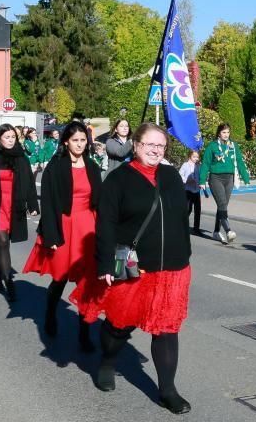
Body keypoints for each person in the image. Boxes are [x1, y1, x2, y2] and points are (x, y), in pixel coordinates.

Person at [70, 123, 192, 414]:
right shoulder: (118, 179)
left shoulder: (172, 175)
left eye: (160, 146)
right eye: (149, 144)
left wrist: (185, 253)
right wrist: (105, 264)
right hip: (136, 269)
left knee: (166, 328)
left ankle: (167, 390)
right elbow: (106, 225)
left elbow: (179, 218)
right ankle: (108, 362)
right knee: (119, 324)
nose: (155, 150)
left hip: (173, 269)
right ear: (135, 145)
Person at [22, 121, 102, 352]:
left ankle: (84, 333)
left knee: (87, 282)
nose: (79, 144)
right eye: (75, 140)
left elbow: (100, 199)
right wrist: (52, 235)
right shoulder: (56, 166)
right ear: (66, 141)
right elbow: (48, 203)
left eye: (83, 140)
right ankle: (50, 314)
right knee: (60, 278)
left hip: (88, 227)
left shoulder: (92, 166)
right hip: (64, 225)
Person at [0, 124, 39, 301]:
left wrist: (33, 205)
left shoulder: (21, 158)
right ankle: (9, 282)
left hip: (14, 205)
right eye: (7, 137)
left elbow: (29, 184)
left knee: (5, 244)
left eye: (13, 137)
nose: (10, 140)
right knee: (2, 241)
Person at [199, 123, 250, 243]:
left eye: (228, 132)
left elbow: (240, 162)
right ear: (219, 133)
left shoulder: (233, 145)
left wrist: (246, 178)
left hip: (229, 179)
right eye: (224, 132)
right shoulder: (212, 146)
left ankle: (216, 232)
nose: (226, 135)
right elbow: (205, 163)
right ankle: (228, 231)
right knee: (222, 203)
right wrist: (202, 180)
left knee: (223, 206)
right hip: (216, 178)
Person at [179, 150, 202, 235]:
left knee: (198, 210)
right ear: (190, 157)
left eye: (197, 157)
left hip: (196, 191)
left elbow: (200, 176)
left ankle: (196, 228)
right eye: (194, 157)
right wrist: (187, 180)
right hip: (188, 190)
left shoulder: (198, 166)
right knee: (188, 209)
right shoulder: (185, 165)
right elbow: (180, 175)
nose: (196, 158)